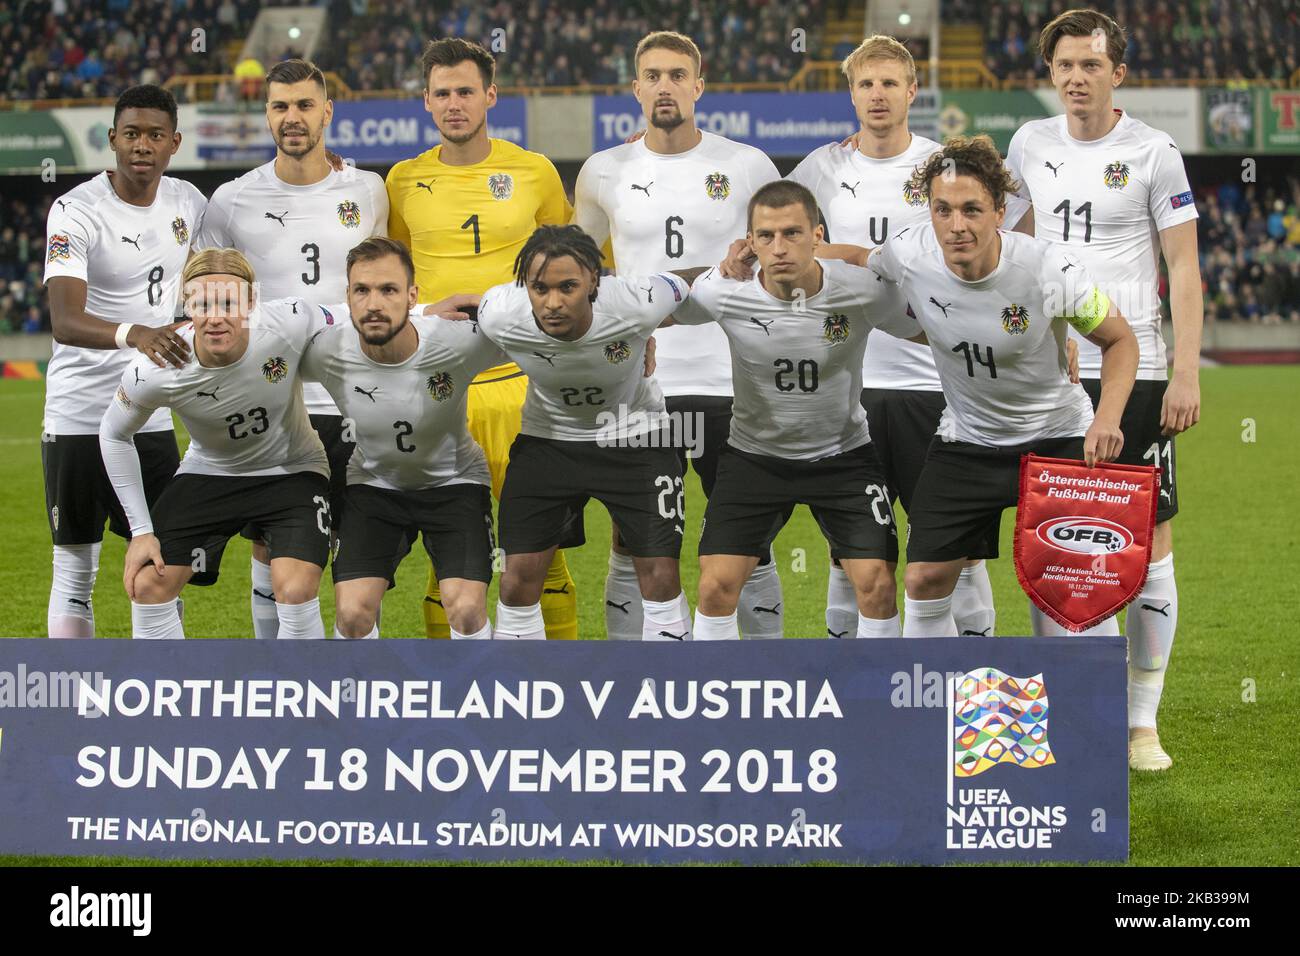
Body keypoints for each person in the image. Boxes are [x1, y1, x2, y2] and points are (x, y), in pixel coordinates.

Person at [1004, 8, 1203, 770]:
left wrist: (1185, 368)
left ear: (1118, 72)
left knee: (1146, 544)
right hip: (1052, 377)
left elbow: (1182, 267)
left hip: (1143, 368)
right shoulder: (1029, 143)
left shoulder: (1155, 152)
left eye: (1092, 65)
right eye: (1065, 66)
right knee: (1056, 541)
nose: (1077, 78)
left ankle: (1141, 723)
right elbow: (1015, 248)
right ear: (1050, 74)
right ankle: (1077, 710)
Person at [840, 136, 1139, 638]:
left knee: (1071, 582)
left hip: (1057, 439)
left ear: (1000, 211)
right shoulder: (911, 252)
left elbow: (1120, 340)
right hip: (968, 441)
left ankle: (1087, 711)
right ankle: (930, 706)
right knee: (925, 576)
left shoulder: (1048, 270)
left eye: (972, 210)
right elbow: (857, 258)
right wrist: (780, 249)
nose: (957, 226)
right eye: (943, 210)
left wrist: (1107, 419)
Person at [781, 36, 999, 641]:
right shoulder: (819, 170)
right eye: (865, 84)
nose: (877, 95)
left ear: (912, 91)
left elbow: (1001, 240)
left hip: (941, 387)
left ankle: (966, 684)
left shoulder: (944, 167)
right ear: (851, 93)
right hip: (847, 388)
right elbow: (785, 243)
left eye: (889, 83)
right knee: (850, 553)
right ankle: (860, 697)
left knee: (960, 552)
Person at [574, 30, 784, 641]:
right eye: (652, 75)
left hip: (733, 380)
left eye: (676, 74)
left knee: (748, 533)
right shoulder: (602, 171)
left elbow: (776, 260)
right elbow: (583, 274)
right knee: (633, 536)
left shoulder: (746, 165)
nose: (664, 86)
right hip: (639, 385)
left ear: (699, 84)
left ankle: (761, 669)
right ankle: (634, 667)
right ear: (635, 87)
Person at [386, 37, 578, 640]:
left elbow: (570, 267)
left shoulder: (535, 171)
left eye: (466, 91)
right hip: (439, 388)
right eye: (441, 93)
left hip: (527, 385)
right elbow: (393, 278)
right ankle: (455, 689)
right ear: (426, 102)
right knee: (446, 557)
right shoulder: (401, 180)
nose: (454, 104)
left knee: (543, 552)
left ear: (490, 95)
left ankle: (558, 683)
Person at [668, 181, 920, 640]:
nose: (779, 247)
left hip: (844, 458)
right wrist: (638, 335)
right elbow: (652, 309)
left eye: (792, 234)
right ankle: (717, 697)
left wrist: (1039, 344)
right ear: (749, 243)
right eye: (765, 236)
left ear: (817, 235)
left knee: (878, 585)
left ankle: (877, 701)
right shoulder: (723, 290)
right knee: (715, 585)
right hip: (753, 459)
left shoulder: (863, 292)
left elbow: (937, 330)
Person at [197, 57, 388, 640]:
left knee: (356, 563)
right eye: (280, 106)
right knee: (270, 551)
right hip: (273, 406)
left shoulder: (368, 190)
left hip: (355, 401)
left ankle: (354, 697)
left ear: (328, 111)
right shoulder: (231, 200)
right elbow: (207, 297)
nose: (292, 117)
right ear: (266, 114)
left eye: (305, 105)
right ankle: (281, 688)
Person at [42, 84, 206, 638]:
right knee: (75, 567)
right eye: (131, 133)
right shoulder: (75, 209)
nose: (142, 145)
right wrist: (134, 333)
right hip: (80, 413)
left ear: (174, 142)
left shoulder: (189, 203)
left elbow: (224, 278)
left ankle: (159, 700)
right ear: (112, 139)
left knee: (163, 563)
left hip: (149, 413)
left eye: (155, 135)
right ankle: (67, 712)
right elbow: (65, 319)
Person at [99, 249, 332, 640]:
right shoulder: (156, 368)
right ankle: (165, 692)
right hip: (212, 471)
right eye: (203, 303)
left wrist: (427, 313)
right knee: (147, 583)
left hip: (293, 469)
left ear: (251, 302)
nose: (216, 316)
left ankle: (301, 692)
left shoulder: (288, 321)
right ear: (186, 303)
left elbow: (357, 315)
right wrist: (141, 532)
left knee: (294, 588)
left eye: (229, 302)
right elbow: (113, 433)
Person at [474, 225, 693, 642]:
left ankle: (663, 689)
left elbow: (692, 283)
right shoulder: (501, 311)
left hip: (637, 436)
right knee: (517, 579)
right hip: (547, 442)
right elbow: (456, 318)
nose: (553, 302)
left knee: (661, 575)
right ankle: (522, 694)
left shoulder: (636, 300)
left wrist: (734, 266)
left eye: (568, 287)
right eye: (540, 288)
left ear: (595, 280)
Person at [302, 238, 501, 640]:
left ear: (412, 296)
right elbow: (255, 359)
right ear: (347, 297)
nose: (374, 303)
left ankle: (477, 692)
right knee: (353, 615)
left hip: (455, 482)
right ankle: (361, 698)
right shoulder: (325, 351)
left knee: (463, 610)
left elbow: (550, 338)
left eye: (388, 290)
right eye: (362, 290)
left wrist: (634, 344)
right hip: (375, 486)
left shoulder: (457, 340)